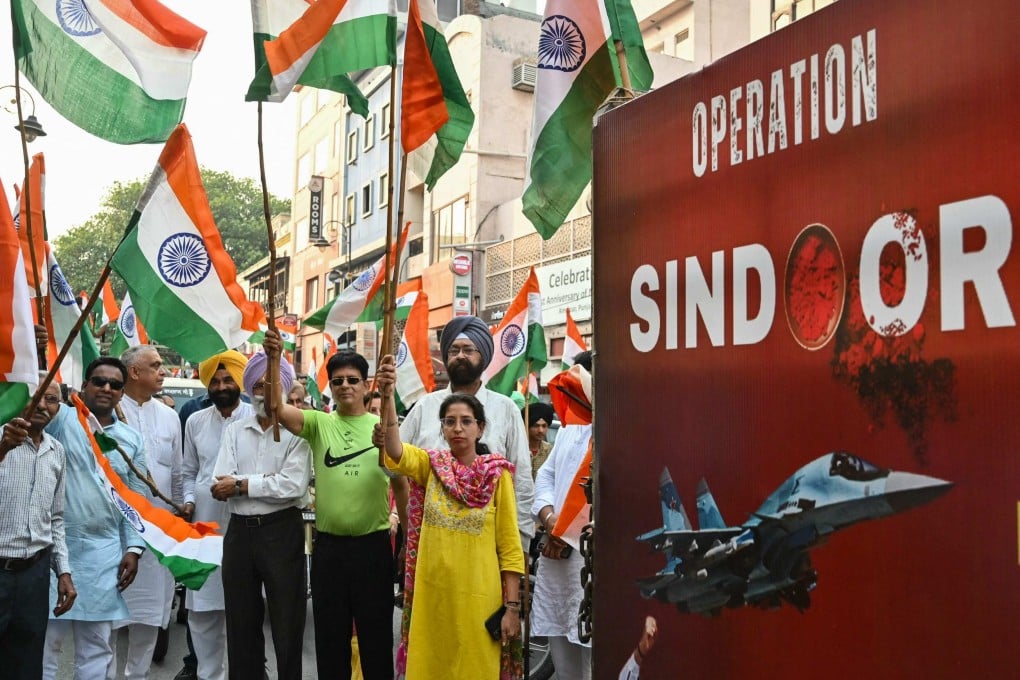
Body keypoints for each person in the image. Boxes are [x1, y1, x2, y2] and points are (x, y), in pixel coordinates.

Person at [375, 354, 525, 680]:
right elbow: (395, 451)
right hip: (433, 601)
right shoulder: (431, 467)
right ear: (441, 428)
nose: (458, 428)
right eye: (449, 421)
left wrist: (512, 609)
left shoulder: (497, 477)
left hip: (480, 600)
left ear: (480, 428)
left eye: (466, 421)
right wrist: (388, 397)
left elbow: (510, 547)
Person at [263, 331, 398, 680]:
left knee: (376, 641)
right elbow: (276, 407)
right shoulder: (319, 424)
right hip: (329, 551)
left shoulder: (383, 429)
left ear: (366, 384)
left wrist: (408, 539)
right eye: (337, 381)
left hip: (374, 549)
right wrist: (275, 358)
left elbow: (402, 481)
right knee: (330, 639)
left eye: (353, 380)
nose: (345, 386)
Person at [42, 358, 149, 680]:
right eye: (99, 381)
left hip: (105, 554)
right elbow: (32, 397)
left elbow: (136, 500)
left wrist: (133, 548)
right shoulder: (61, 420)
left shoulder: (130, 440)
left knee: (97, 648)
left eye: (115, 385)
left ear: (121, 392)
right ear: (84, 386)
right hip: (51, 550)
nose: (106, 388)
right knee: (45, 645)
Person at [210, 352, 310, 680]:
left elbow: (292, 487)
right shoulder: (235, 430)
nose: (263, 391)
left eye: (271, 385)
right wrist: (249, 485)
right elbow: (219, 480)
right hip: (240, 532)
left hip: (281, 531)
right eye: (257, 385)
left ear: (282, 389)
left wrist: (241, 484)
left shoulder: (300, 432)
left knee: (287, 621)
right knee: (240, 621)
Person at [399, 315, 534, 550]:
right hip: (430, 540)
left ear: (483, 356)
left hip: (486, 543)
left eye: (468, 349)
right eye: (454, 350)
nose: (460, 355)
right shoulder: (425, 406)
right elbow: (392, 464)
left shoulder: (505, 409)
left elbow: (521, 479)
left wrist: (520, 544)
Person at [182, 351, 253, 680]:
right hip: (204, 524)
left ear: (240, 382)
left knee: (242, 610)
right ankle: (209, 675)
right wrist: (187, 501)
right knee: (203, 611)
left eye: (228, 380)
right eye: (215, 381)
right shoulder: (195, 421)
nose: (222, 386)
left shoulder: (257, 418)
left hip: (246, 522)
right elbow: (188, 471)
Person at [0, 380, 76, 679]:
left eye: (52, 400)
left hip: (34, 575)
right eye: (35, 398)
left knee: (27, 661)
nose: (43, 406)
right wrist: (3, 447)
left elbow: (56, 519)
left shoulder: (56, 452)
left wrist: (64, 572)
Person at [115, 346, 183, 679]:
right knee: (105, 622)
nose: (163, 370)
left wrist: (182, 513)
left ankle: (136, 676)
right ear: (134, 372)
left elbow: (179, 474)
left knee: (149, 618)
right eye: (155, 365)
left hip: (157, 535)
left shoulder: (170, 416)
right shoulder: (109, 412)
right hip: (113, 533)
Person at [531, 363, 595, 680]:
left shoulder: (623, 426)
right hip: (559, 559)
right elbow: (546, 476)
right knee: (564, 659)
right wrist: (549, 515)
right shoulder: (570, 428)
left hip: (596, 562)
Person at [522, 402, 554, 480]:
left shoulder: (550, 451)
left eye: (544, 426)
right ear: (527, 426)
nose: (540, 430)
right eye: (536, 426)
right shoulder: (518, 450)